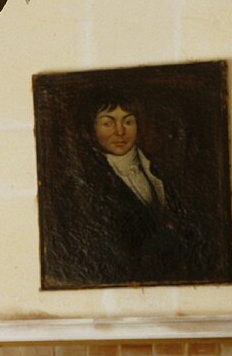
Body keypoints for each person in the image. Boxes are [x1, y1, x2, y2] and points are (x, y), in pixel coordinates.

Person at [40, 93, 188, 288]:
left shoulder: (158, 173)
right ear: (91, 129)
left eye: (128, 122)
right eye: (108, 123)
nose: (120, 132)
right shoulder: (78, 186)